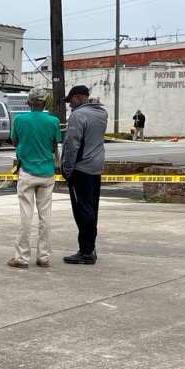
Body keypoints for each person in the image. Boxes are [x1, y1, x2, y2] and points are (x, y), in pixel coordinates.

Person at [6, 87, 61, 269]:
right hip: (46, 171)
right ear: (44, 102)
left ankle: (22, 257)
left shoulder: (20, 119)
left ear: (29, 102)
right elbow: (54, 145)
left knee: (26, 215)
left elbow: (15, 141)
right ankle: (43, 256)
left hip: (28, 171)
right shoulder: (53, 121)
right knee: (46, 216)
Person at [61, 85, 108, 265]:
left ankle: (86, 250)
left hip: (80, 168)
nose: (70, 105)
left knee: (82, 210)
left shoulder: (78, 115)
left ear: (78, 97)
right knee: (92, 208)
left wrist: (67, 168)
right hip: (96, 167)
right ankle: (91, 247)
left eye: (71, 100)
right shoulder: (101, 114)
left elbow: (72, 144)